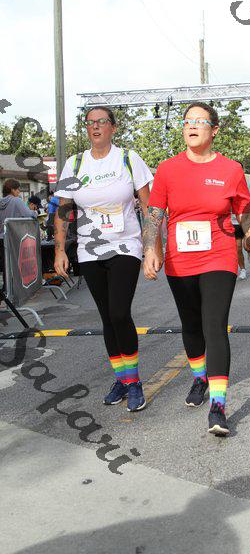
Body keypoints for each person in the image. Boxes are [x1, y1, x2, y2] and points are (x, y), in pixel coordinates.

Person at [142, 101, 250, 436]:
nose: (191, 125)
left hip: (219, 255)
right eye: (187, 121)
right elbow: (155, 214)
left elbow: (246, 215)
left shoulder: (230, 169)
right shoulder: (167, 169)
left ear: (214, 130)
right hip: (180, 259)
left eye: (199, 121)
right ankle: (199, 377)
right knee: (191, 325)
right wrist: (150, 250)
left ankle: (218, 406)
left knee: (214, 325)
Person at [54, 106, 153, 412]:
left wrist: (152, 247)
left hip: (125, 245)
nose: (95, 127)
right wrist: (59, 249)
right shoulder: (74, 163)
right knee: (107, 317)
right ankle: (121, 379)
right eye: (89, 123)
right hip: (90, 249)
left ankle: (134, 382)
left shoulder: (128, 158)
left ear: (113, 127)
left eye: (101, 122)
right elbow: (63, 210)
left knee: (120, 312)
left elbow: (149, 207)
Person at [0, 179, 37, 290]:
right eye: (17, 189)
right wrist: (34, 212)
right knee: (14, 265)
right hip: (13, 238)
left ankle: (6, 290)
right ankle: (13, 291)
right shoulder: (16, 201)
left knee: (5, 265)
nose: (19, 192)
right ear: (12, 190)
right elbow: (28, 214)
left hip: (1, 237)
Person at [231, 170, 250, 280]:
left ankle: (249, 249)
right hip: (234, 220)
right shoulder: (227, 184)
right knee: (238, 247)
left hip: (247, 218)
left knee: (246, 245)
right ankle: (243, 269)